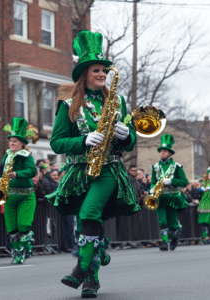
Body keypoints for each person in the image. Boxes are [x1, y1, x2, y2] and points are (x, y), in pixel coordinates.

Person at [46, 31, 140, 298]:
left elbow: (130, 141)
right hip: (79, 172)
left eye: (104, 70)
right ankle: (91, 282)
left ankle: (80, 268)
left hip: (108, 170)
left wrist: (126, 136)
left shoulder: (118, 101)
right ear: (84, 73)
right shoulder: (68, 105)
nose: (102, 74)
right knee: (86, 224)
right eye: (97, 70)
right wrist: (83, 140)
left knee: (88, 214)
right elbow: (57, 143)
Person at [0, 118, 37, 264]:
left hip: (25, 196)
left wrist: (17, 174)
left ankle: (24, 248)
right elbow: (0, 172)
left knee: (23, 226)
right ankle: (17, 252)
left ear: (22, 143)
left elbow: (32, 171)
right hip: (9, 196)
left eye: (15, 141)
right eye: (10, 141)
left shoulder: (26, 156)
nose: (12, 143)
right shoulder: (7, 155)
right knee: (12, 229)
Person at [150, 134, 188, 251]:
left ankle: (175, 239)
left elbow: (184, 182)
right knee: (162, 220)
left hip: (173, 197)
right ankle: (164, 243)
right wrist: (151, 189)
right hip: (160, 197)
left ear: (170, 153)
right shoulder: (155, 166)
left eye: (165, 151)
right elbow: (153, 181)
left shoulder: (176, 166)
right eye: (161, 151)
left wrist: (172, 180)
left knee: (172, 223)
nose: (162, 153)